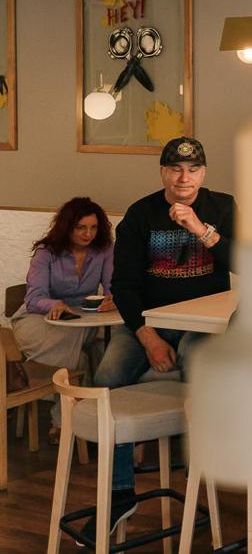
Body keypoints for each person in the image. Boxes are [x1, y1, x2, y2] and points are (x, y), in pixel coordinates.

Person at [90, 137, 235, 542]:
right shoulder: (140, 214)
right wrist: (147, 336)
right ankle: (120, 493)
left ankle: (196, 479)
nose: (184, 177)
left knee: (198, 371)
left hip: (202, 325)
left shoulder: (222, 207)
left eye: (192, 169)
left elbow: (244, 263)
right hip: (147, 322)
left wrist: (201, 229)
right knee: (105, 380)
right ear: (162, 172)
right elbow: (124, 285)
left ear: (203, 173)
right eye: (175, 169)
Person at [11, 197, 115, 436]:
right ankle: (69, 420)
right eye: (81, 227)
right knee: (78, 351)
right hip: (37, 318)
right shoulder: (46, 252)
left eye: (93, 227)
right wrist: (54, 304)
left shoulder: (104, 250)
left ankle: (73, 419)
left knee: (107, 342)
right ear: (67, 227)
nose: (88, 234)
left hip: (81, 318)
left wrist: (113, 299)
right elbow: (34, 298)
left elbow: (112, 287)